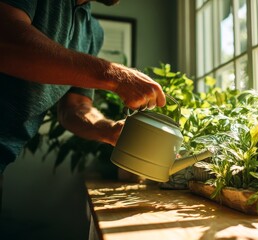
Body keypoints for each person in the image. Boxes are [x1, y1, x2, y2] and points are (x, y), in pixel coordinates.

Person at [0, 0, 166, 208]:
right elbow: (6, 40)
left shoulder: (92, 31)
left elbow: (75, 106)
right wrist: (114, 75)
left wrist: (112, 131)